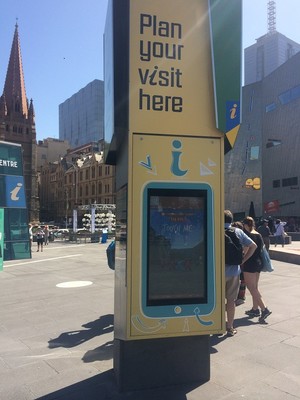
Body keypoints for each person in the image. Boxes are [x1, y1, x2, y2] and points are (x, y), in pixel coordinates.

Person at [224, 210, 257, 336]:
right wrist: (243, 260)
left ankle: (219, 326)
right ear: (231, 220)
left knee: (219, 301)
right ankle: (230, 327)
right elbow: (253, 246)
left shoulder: (215, 230)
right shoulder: (237, 231)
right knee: (231, 301)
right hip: (233, 271)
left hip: (216, 273)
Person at [242, 216, 272, 322]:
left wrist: (242, 260)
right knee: (255, 287)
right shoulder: (258, 234)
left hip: (249, 264)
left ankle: (264, 309)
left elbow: (245, 250)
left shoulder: (247, 235)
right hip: (258, 263)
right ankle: (255, 309)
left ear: (245, 225)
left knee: (251, 288)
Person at [232, 221, 246, 305]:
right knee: (242, 279)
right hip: (241, 260)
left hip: (239, 260)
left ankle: (240, 297)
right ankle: (241, 297)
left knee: (240, 279)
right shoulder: (243, 235)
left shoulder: (236, 235)